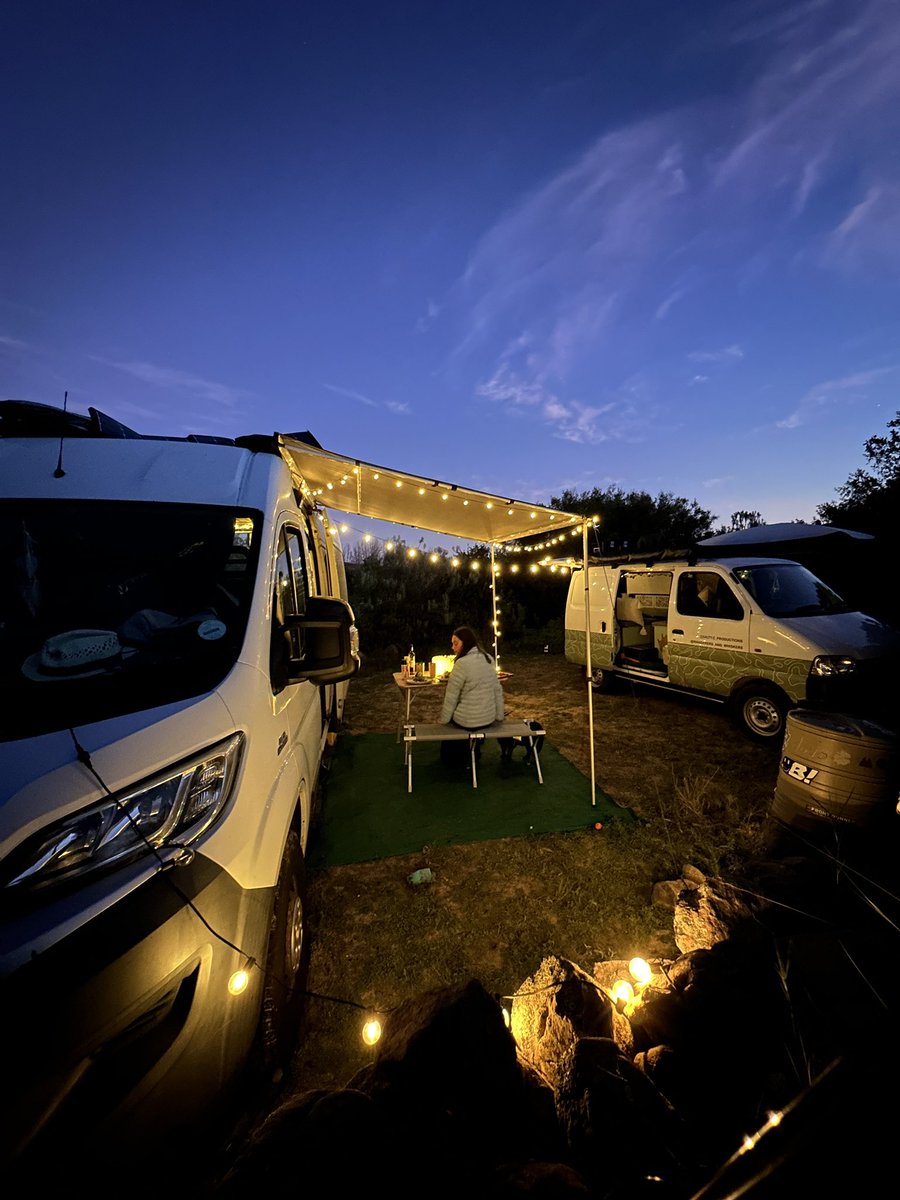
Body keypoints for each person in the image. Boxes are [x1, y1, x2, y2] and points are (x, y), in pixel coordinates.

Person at [439, 625, 504, 769]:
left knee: (454, 724)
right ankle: (475, 753)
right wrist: (499, 716)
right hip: (488, 718)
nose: (453, 647)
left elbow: (451, 697)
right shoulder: (488, 659)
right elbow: (497, 690)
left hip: (467, 721)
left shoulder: (461, 664)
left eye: (456, 643)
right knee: (468, 717)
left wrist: (444, 720)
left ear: (466, 642)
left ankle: (455, 760)